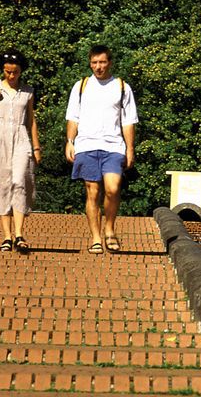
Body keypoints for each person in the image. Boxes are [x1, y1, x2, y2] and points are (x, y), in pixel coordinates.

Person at [64, 44, 138, 254]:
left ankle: (109, 229)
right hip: (86, 144)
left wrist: (130, 149)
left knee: (113, 188)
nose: (98, 67)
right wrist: (70, 141)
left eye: (102, 62)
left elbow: (128, 121)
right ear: (90, 63)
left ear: (110, 63)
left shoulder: (122, 86)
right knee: (92, 192)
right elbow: (73, 117)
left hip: (114, 145)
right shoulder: (81, 86)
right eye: (95, 62)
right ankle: (96, 238)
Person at [0, 49, 41, 253]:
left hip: (20, 137)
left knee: (20, 181)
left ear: (21, 71)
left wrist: (36, 146)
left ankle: (19, 234)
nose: (11, 76)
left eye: (15, 72)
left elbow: (31, 120)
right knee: (3, 185)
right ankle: (6, 236)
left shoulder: (28, 91)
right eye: (8, 72)